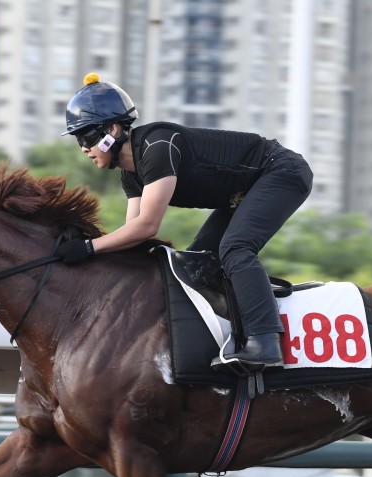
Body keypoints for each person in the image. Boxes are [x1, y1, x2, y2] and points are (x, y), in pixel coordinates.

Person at [59, 73, 313, 371]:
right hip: (245, 191)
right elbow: (133, 237)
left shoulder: (157, 147)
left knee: (235, 248)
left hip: (280, 171)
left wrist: (88, 248)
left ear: (113, 129)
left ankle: (266, 342)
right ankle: (235, 335)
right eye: (79, 139)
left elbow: (147, 226)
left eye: (86, 136)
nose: (83, 148)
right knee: (198, 263)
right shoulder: (131, 175)